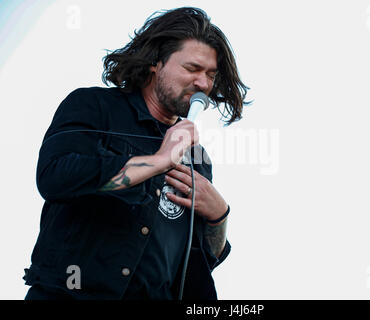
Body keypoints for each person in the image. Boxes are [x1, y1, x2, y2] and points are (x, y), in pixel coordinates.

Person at [23, 7, 249, 300]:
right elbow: (55, 178)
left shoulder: (198, 158)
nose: (203, 84)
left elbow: (196, 262)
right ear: (156, 62)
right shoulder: (94, 106)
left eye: (210, 75)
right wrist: (157, 162)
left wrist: (220, 216)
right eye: (192, 69)